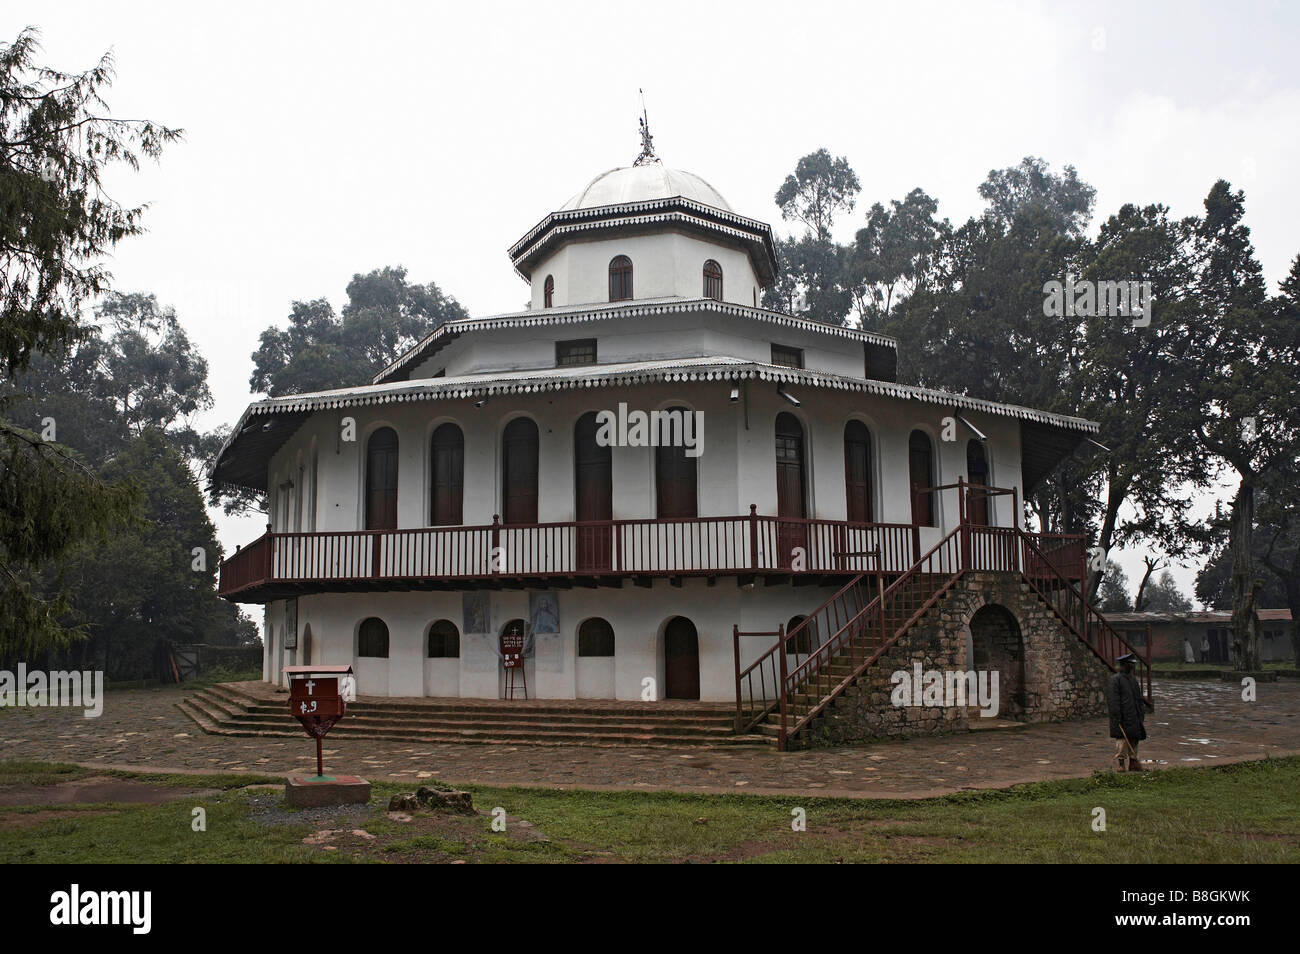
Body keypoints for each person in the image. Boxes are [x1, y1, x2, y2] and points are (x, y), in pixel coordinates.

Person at [1105, 652, 1148, 771]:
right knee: (1122, 741)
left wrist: (1141, 713)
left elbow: (1138, 698)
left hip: (1134, 716)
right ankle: (1121, 764)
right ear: (1124, 665)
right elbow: (1113, 700)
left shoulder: (1133, 680)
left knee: (1134, 739)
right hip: (1122, 717)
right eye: (1130, 664)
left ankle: (1133, 762)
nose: (1132, 667)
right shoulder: (1115, 680)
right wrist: (1116, 716)